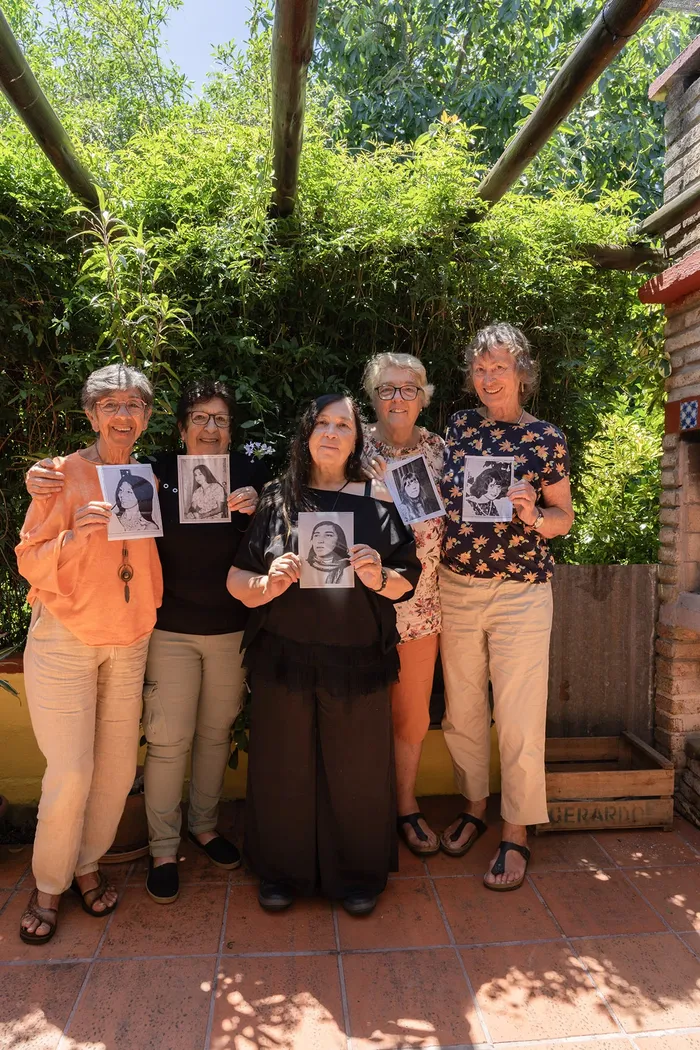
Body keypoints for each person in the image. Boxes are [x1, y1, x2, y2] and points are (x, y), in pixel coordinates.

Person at [25, 379, 268, 905]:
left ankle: (157, 843)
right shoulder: (141, 473)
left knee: (167, 751)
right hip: (141, 631)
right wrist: (47, 490)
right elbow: (37, 547)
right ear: (179, 428)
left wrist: (257, 508)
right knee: (137, 749)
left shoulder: (239, 476)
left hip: (175, 633)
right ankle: (133, 857)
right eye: (198, 418)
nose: (209, 428)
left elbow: (271, 544)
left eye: (220, 419)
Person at [227, 394, 421, 915]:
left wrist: (379, 576)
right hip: (284, 658)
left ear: (357, 438)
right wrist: (264, 585)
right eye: (322, 423)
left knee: (356, 770)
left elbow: (406, 581)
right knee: (282, 768)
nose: (332, 433)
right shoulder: (276, 498)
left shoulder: (378, 499)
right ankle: (281, 874)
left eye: (343, 425)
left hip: (356, 659)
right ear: (306, 433)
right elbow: (237, 578)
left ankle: (358, 877)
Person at [16, 364, 163, 944]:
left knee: (115, 771)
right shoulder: (60, 475)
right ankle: (48, 884)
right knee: (72, 771)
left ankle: (86, 864)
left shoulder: (149, 478)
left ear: (146, 418)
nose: (123, 415)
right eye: (111, 405)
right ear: (91, 415)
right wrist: (74, 535)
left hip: (129, 641)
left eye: (134, 405)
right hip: (66, 639)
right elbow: (28, 558)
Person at [439, 323, 574, 890]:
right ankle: (475, 806)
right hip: (457, 585)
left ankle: (515, 831)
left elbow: (563, 518)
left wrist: (532, 518)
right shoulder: (457, 426)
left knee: (518, 716)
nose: (489, 377)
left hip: (521, 592)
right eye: (480, 368)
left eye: (499, 366)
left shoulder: (546, 439)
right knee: (463, 708)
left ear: (521, 372)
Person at [363, 353, 445, 856]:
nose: (398, 398)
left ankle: (406, 807)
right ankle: (364, 810)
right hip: (360, 608)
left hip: (421, 607)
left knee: (412, 717)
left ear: (422, 398)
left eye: (408, 389)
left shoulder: (441, 451)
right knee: (359, 711)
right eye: (387, 389)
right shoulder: (352, 445)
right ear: (373, 397)